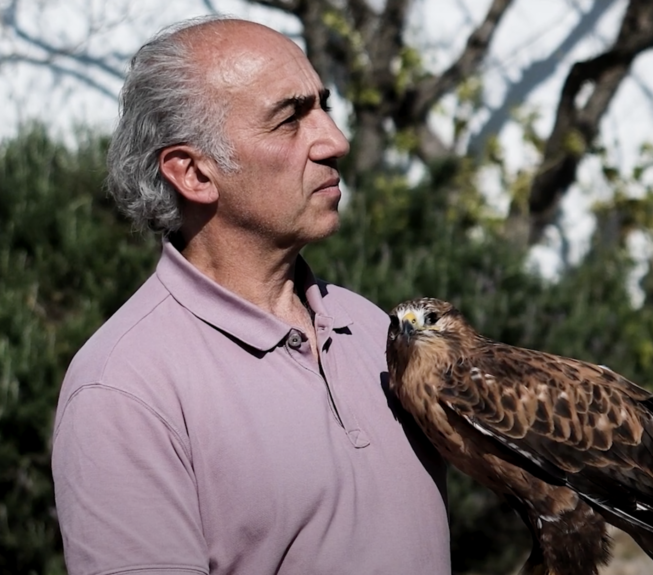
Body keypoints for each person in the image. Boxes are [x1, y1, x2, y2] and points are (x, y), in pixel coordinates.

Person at [50, 15, 451, 575]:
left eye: (323, 106)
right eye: (290, 119)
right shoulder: (124, 388)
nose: (335, 140)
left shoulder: (370, 325)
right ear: (193, 173)